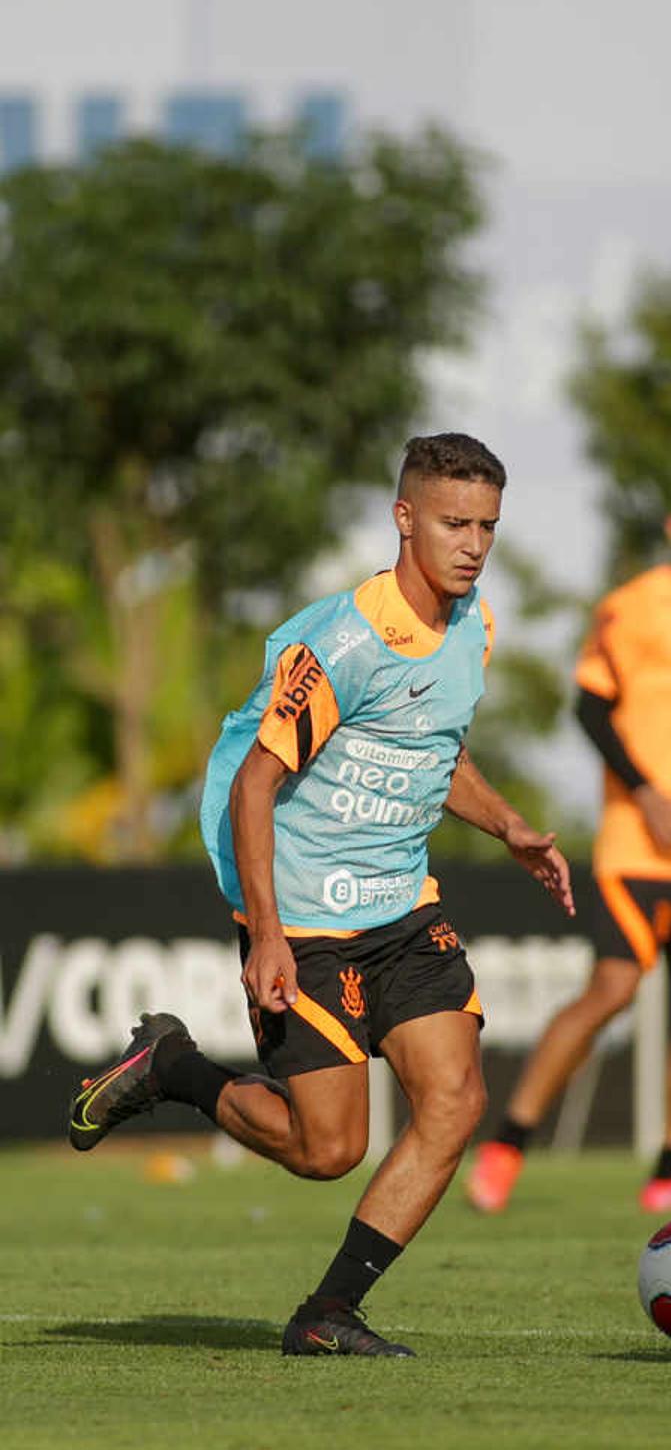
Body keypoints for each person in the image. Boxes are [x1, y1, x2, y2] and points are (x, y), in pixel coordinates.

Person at [66, 432, 574, 1357]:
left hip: (402, 908)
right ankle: (173, 1067)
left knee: (455, 1099)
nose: (472, 544)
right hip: (303, 919)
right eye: (454, 522)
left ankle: (327, 1313)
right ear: (404, 518)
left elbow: (433, 747)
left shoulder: (476, 627)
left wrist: (509, 827)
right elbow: (255, 784)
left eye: (487, 527)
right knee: (326, 1150)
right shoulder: (342, 641)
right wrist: (265, 937)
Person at [467, 468, 671, 1215]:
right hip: (642, 844)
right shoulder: (635, 608)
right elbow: (591, 708)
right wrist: (648, 792)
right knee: (612, 990)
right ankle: (507, 1145)